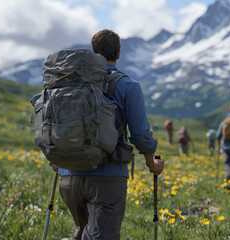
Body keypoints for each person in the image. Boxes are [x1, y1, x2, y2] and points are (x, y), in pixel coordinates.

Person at [56, 29, 164, 239]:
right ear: (119, 53)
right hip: (107, 177)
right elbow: (141, 135)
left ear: (93, 51)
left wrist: (59, 158)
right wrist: (152, 164)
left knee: (82, 232)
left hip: (68, 177)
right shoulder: (128, 86)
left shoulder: (71, 84)